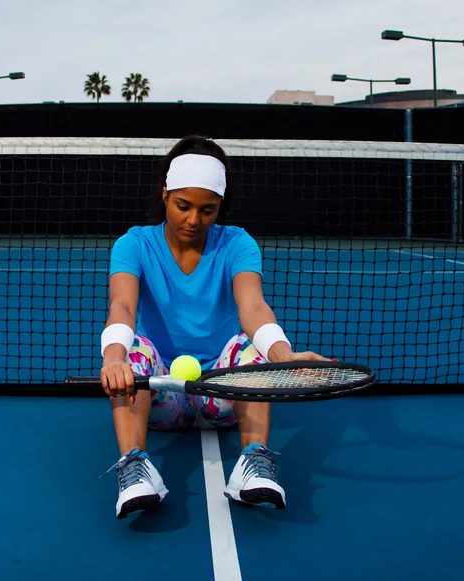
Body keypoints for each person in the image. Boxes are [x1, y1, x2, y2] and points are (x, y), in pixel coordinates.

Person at [99, 135, 329, 519]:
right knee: (132, 348)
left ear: (220, 205)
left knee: (252, 348)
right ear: (164, 195)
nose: (194, 220)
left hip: (220, 393)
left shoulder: (237, 243)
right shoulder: (134, 243)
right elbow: (122, 304)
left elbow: (252, 306)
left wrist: (283, 356)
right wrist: (114, 358)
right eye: (183, 206)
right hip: (160, 396)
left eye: (208, 210)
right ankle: (135, 468)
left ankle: (254, 463)